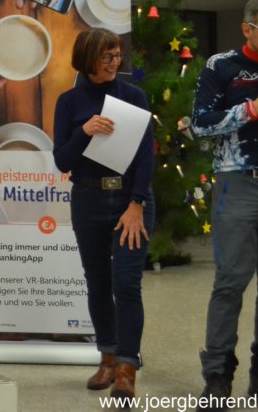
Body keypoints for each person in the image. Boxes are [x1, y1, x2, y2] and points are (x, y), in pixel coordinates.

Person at [192, 0, 258, 411]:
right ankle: (217, 377)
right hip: (237, 183)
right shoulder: (222, 66)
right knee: (231, 283)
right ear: (248, 29)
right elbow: (199, 124)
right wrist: (251, 109)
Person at [52, 27, 154, 401]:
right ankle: (107, 358)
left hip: (130, 200)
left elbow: (145, 156)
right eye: (106, 57)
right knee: (97, 282)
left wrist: (137, 204)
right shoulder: (68, 102)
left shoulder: (134, 96)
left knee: (126, 282)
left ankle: (127, 368)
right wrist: (85, 131)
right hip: (88, 199)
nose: (114, 63)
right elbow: (62, 160)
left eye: (117, 56)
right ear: (87, 58)